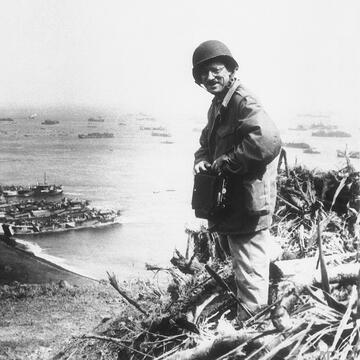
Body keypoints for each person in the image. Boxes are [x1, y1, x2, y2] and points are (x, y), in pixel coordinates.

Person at [192, 40, 282, 320]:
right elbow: (206, 142)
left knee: (250, 271)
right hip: (236, 205)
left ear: (230, 70)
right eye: (203, 74)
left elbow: (268, 140)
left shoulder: (242, 100)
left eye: (216, 70)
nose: (209, 78)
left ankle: (255, 326)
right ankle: (279, 284)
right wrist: (202, 159)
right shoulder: (220, 104)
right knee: (249, 259)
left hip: (247, 205)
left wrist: (228, 163)